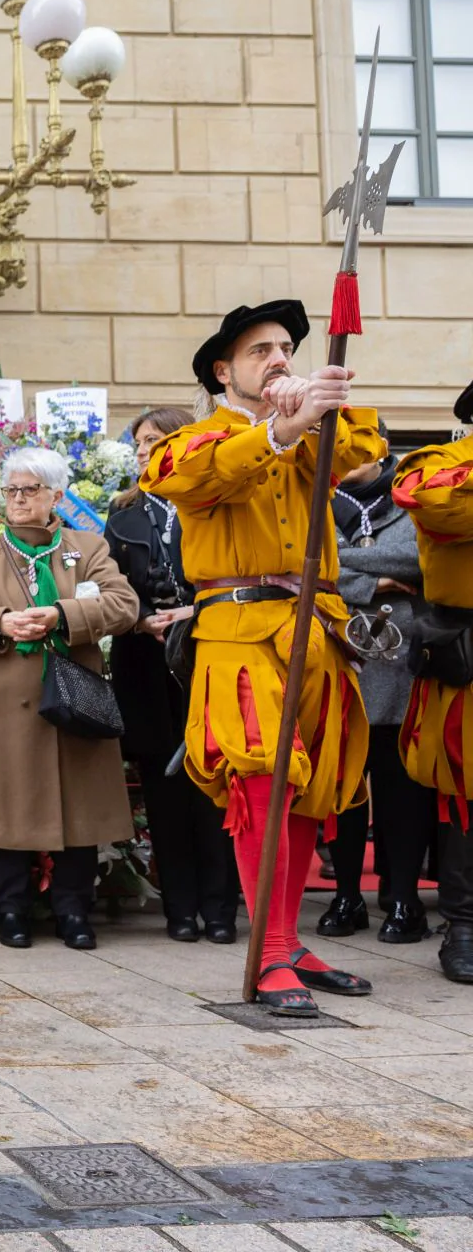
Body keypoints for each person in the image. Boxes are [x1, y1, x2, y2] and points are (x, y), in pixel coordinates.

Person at [143, 298, 383, 1017]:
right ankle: (270, 951)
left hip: (318, 629)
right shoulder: (196, 440)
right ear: (224, 372)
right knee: (258, 782)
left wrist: (320, 408)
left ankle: (288, 941)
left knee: (315, 786)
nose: (278, 358)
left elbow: (363, 456)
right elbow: (184, 481)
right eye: (259, 351)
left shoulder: (312, 430)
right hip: (239, 631)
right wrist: (279, 429)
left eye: (285, 348)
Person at [0, 448, 138, 949]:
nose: (17, 498)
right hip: (0, 701)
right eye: (10, 490)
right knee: (6, 807)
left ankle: (73, 911)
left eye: (29, 489)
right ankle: (12, 910)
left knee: (78, 809)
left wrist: (63, 614)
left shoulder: (87, 546)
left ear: (56, 494)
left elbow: (124, 605)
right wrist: (0, 623)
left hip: (72, 698)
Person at [104, 408, 240, 944]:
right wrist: (139, 618)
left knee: (212, 788)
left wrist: (197, 611)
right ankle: (180, 911)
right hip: (146, 660)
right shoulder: (122, 514)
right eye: (137, 442)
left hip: (209, 653)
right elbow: (108, 583)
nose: (141, 450)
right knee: (164, 792)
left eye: (153, 440)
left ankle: (221, 909)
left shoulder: (212, 501)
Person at [326, 440, 434, 943]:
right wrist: (376, 582)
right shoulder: (316, 501)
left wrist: (345, 564)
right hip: (340, 657)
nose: (344, 460)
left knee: (400, 789)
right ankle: (346, 895)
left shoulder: (411, 496)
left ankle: (405, 900)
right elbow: (306, 566)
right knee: (344, 791)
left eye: (356, 451)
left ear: (382, 451)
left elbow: (417, 558)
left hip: (399, 661)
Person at [391, 380, 473, 983]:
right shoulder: (438, 467)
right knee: (468, 795)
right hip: (466, 652)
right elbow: (437, 506)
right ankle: (464, 926)